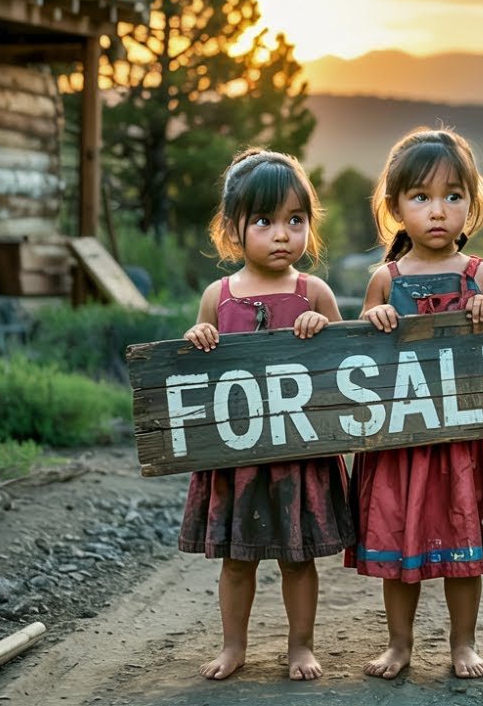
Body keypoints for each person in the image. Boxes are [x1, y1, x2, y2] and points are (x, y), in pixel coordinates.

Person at [346, 126, 483, 680]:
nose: (438, 211)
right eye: (422, 197)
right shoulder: (385, 280)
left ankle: (463, 643)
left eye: (453, 197)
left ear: (471, 204)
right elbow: (362, 353)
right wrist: (374, 318)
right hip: (402, 439)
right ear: (396, 208)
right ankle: (400, 644)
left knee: (463, 543)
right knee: (398, 547)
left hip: (464, 441)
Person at [180, 147, 354, 681]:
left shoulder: (314, 292)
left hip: (299, 453)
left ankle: (300, 646)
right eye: (265, 221)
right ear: (234, 230)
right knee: (239, 558)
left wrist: (324, 330)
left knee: (298, 558)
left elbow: (348, 364)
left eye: (295, 220)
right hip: (239, 457)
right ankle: (234, 647)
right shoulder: (219, 296)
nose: (282, 234)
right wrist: (199, 335)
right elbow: (201, 365)